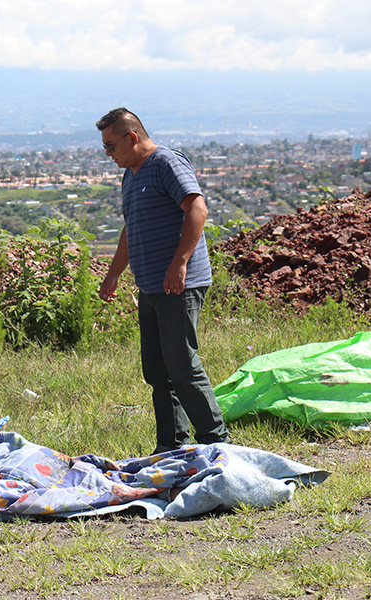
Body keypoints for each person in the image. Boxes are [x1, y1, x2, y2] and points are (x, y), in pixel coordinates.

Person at [95, 108, 230, 454]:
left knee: (182, 364)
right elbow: (132, 227)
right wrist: (113, 273)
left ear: (132, 137)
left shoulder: (166, 163)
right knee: (158, 370)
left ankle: (217, 443)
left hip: (178, 284)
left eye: (111, 146)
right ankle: (171, 445)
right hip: (151, 285)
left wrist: (180, 263)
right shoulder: (130, 174)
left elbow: (197, 209)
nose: (109, 155)